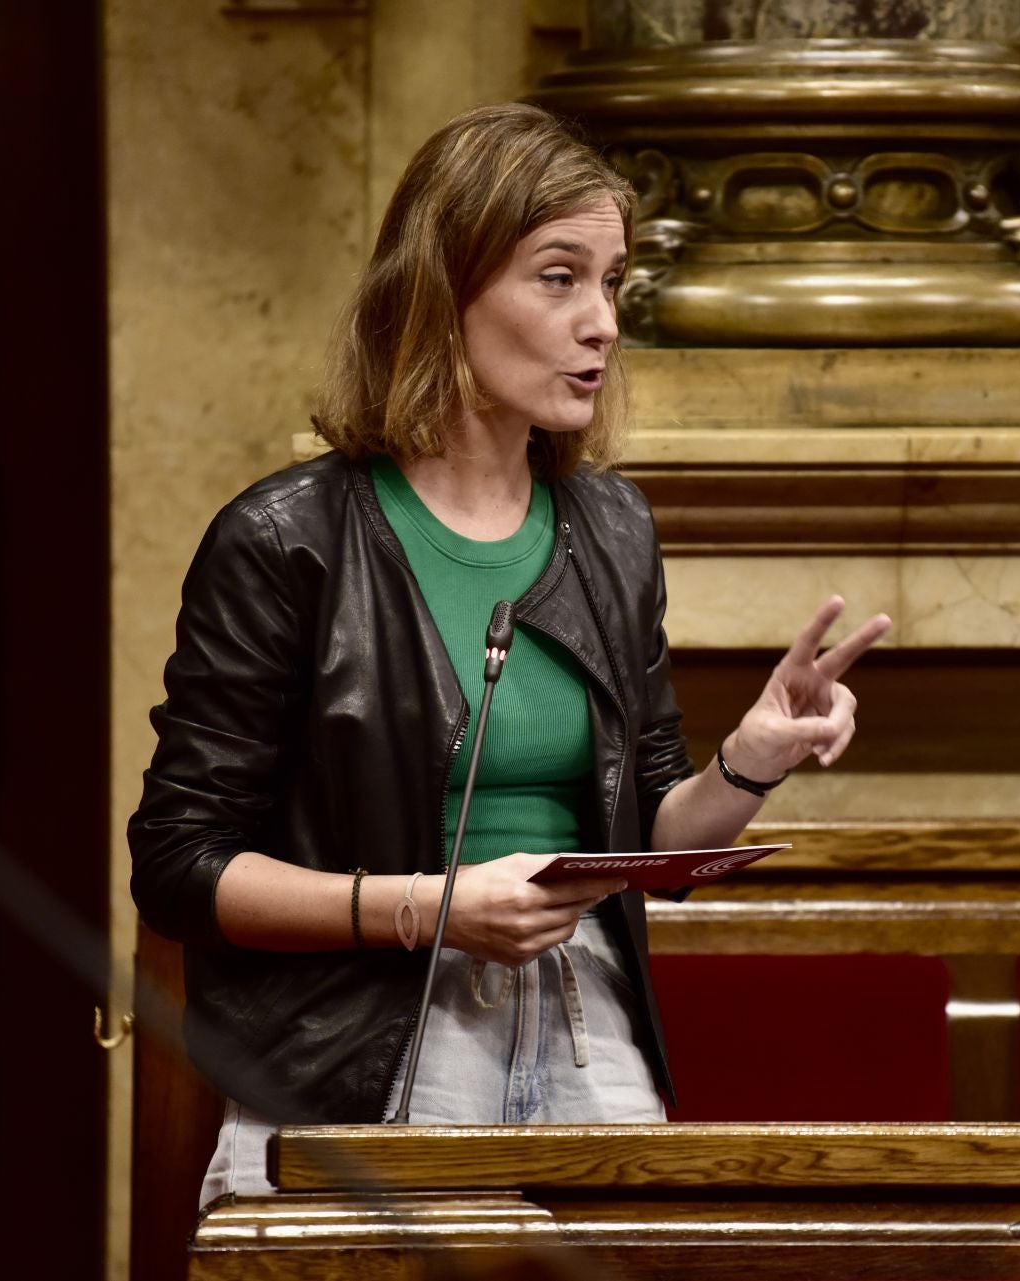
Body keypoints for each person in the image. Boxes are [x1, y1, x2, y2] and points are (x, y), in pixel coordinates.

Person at [127, 103, 891, 1202]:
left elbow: (650, 844)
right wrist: (429, 907)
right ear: (444, 292)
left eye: (613, 282)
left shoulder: (610, 526)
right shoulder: (289, 538)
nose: (603, 324)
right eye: (558, 277)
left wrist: (754, 759)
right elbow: (180, 866)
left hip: (585, 1022)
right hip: (363, 1040)